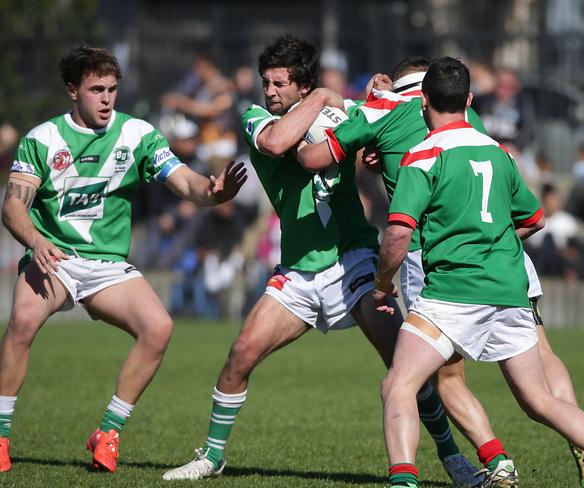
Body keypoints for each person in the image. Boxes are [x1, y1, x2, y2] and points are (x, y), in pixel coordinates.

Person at [162, 36, 476, 487]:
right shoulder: (255, 119)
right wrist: (329, 98)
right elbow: (277, 143)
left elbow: (378, 126)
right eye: (265, 82)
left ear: (301, 84)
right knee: (241, 354)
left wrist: (371, 116)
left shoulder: (340, 111)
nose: (268, 91)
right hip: (300, 268)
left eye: (279, 84)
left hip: (355, 260)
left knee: (403, 366)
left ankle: (453, 459)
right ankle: (211, 455)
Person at [298, 56, 584, 488]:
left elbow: (316, 155)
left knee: (438, 374)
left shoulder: (382, 110)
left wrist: (363, 113)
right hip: (505, 252)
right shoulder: (473, 119)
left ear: (422, 94)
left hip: (440, 257)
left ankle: (494, 462)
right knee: (541, 358)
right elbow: (531, 215)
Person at [372, 56, 584, 488]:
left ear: (423, 101)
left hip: (453, 292)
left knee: (399, 384)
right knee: (539, 399)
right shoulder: (497, 152)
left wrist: (382, 284)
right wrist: (493, 238)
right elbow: (535, 218)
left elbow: (397, 234)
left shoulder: (422, 156)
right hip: (509, 288)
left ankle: (404, 480)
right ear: (468, 99)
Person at [0, 45, 247, 473]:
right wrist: (37, 242)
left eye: (113, 89)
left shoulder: (138, 135)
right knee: (21, 323)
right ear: (72, 91)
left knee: (159, 328)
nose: (107, 98)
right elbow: (13, 207)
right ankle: (1, 438)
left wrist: (213, 192)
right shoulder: (42, 139)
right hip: (54, 258)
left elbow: (186, 183)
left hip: (107, 266)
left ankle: (109, 432)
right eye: (97, 89)